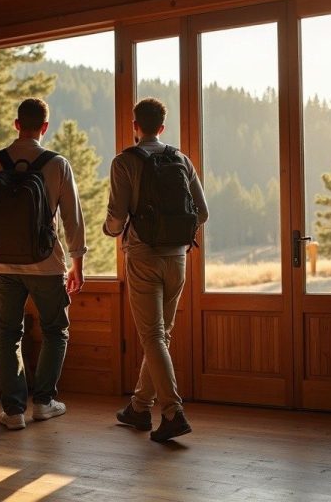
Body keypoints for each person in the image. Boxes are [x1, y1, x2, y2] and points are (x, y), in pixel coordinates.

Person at [0, 97, 87, 431]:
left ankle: (13, 411)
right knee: (55, 331)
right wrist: (77, 262)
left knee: (8, 334)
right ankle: (45, 403)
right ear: (44, 127)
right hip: (46, 264)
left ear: (16, 124)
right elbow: (72, 218)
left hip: (3, 267)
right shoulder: (57, 164)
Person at [104, 97, 209, 442]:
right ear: (162, 127)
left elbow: (117, 217)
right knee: (160, 336)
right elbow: (202, 213)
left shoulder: (124, 162)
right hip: (178, 257)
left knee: (152, 336)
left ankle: (172, 411)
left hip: (143, 255)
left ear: (135, 126)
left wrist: (109, 229)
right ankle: (138, 407)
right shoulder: (180, 158)